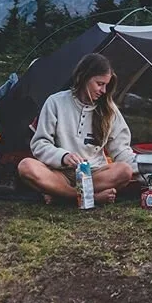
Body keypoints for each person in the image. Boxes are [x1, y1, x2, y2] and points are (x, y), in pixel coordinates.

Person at [18, 52, 138, 204]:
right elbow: (40, 144)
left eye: (106, 85)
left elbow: (121, 151)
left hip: (94, 175)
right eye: (100, 84)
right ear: (84, 77)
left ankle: (59, 194)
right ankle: (86, 198)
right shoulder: (56, 102)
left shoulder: (109, 110)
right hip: (59, 173)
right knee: (26, 166)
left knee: (124, 171)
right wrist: (64, 156)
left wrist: (147, 174)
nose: (103, 91)